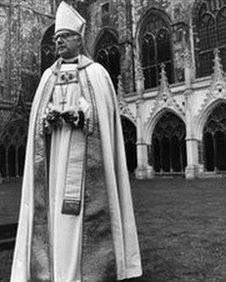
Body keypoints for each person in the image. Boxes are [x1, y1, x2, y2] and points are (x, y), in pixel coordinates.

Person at [11, 2, 142, 282]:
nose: (58, 42)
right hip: (54, 168)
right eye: (56, 38)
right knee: (55, 218)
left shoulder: (97, 75)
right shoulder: (48, 77)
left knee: (82, 219)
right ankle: (56, 272)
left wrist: (81, 116)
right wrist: (48, 119)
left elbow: (103, 120)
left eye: (63, 37)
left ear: (78, 39)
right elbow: (36, 125)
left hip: (87, 170)